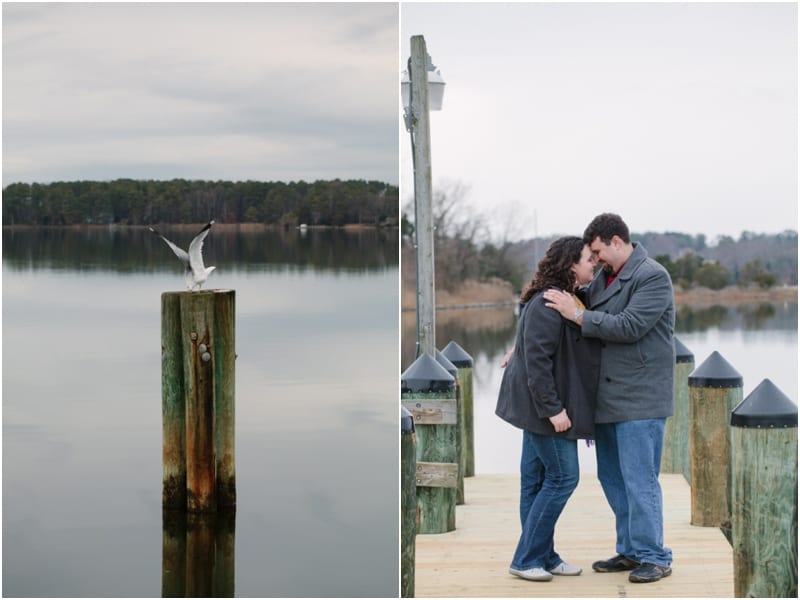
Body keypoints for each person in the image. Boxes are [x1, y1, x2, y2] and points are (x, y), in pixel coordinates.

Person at [543, 213, 675, 584]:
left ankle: (655, 556)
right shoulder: (603, 277)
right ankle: (631, 550)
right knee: (612, 478)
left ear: (616, 241)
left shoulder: (652, 276)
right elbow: (571, 305)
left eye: (599, 251)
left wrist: (580, 317)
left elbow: (631, 326)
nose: (596, 259)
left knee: (640, 480)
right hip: (606, 399)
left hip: (641, 399)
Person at [495, 236, 600, 582]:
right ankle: (526, 559)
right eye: (588, 259)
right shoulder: (547, 302)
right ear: (571, 263)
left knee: (536, 481)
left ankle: (544, 554)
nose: (593, 264)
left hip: (536, 406)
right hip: (543, 410)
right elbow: (538, 362)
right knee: (563, 477)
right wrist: (554, 409)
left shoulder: (569, 298)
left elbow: (533, 346)